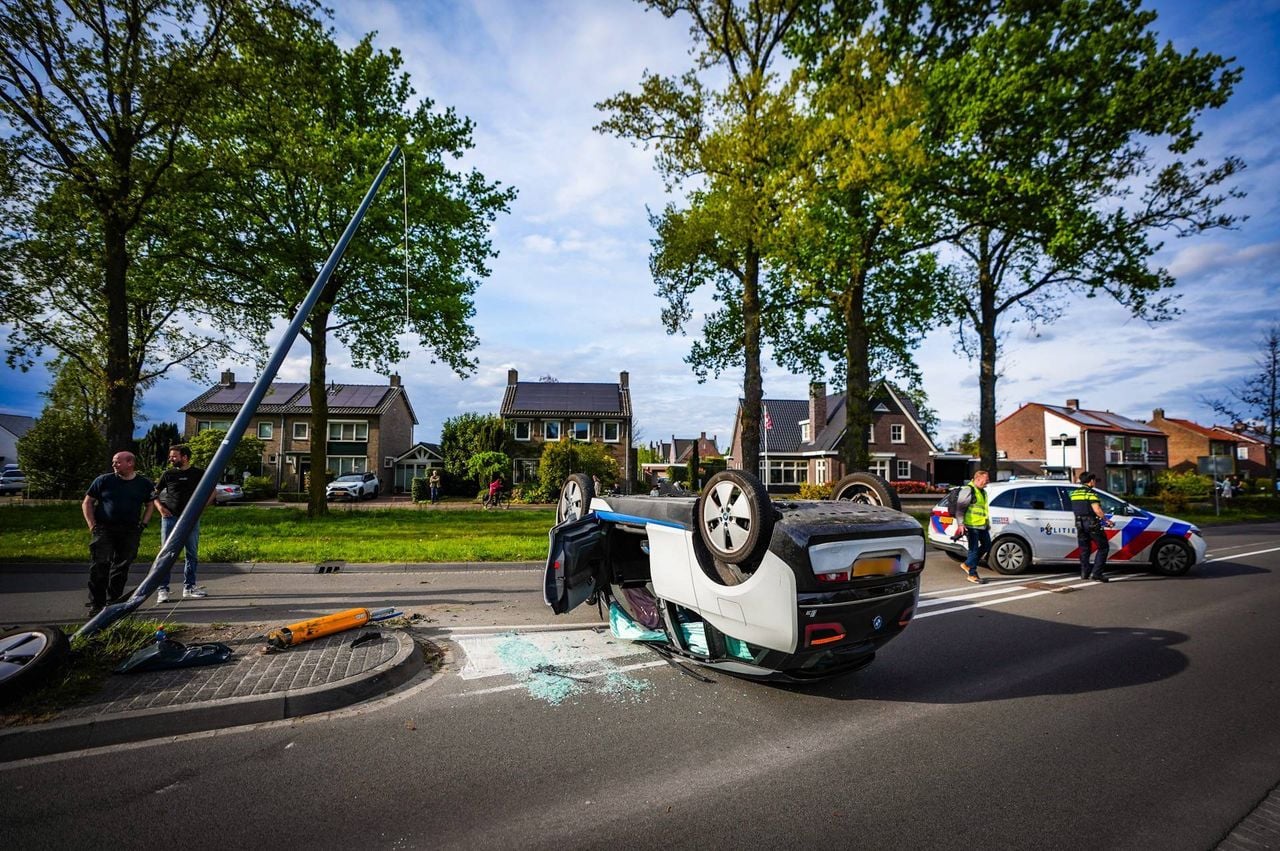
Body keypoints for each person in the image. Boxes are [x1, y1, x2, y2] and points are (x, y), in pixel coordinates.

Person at [81, 451, 155, 615]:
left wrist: (143, 524)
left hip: (129, 530)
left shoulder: (143, 483)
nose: (114, 465)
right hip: (104, 529)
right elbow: (87, 502)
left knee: (121, 567)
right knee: (100, 565)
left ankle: (114, 602)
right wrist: (92, 525)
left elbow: (150, 504)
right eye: (114, 462)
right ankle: (96, 604)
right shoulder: (103, 480)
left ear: (130, 463)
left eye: (117, 462)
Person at [152, 444, 213, 602]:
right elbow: (153, 494)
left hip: (191, 519)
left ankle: (189, 587)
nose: (170, 459)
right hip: (170, 518)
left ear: (184, 457)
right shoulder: (168, 474)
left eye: (174, 456)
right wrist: (160, 508)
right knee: (167, 554)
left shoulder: (199, 473)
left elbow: (213, 490)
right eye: (171, 456)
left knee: (191, 554)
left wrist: (201, 507)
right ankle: (163, 590)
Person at [1070, 471, 1114, 582]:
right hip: (1091, 523)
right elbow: (1097, 510)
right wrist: (1107, 521)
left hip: (1079, 523)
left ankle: (1084, 573)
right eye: (1094, 480)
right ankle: (1097, 573)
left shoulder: (1074, 493)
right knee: (1103, 547)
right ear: (1091, 481)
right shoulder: (1091, 493)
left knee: (1084, 549)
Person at [952, 469, 992, 584]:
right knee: (973, 550)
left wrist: (986, 523)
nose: (988, 482)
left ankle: (968, 564)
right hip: (971, 525)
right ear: (978, 479)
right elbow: (960, 509)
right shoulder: (968, 490)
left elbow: (983, 509)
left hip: (981, 525)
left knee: (987, 545)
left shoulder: (982, 492)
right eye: (986, 480)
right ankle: (972, 574)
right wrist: (960, 524)